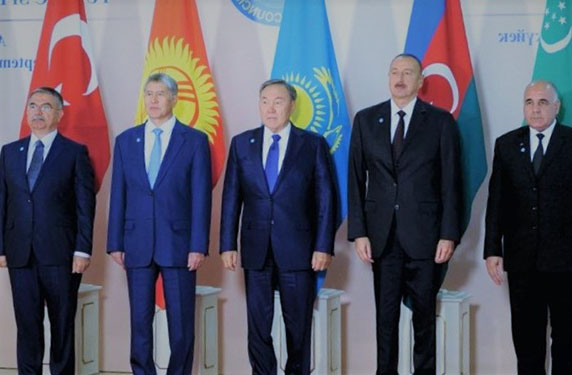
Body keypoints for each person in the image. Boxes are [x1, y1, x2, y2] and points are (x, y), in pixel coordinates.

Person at [348, 53, 462, 375]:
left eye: (408, 73)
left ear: (420, 81)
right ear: (388, 77)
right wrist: (359, 232)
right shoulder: (366, 120)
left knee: (424, 320)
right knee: (385, 321)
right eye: (395, 72)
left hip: (426, 238)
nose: (400, 78)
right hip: (382, 239)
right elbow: (355, 180)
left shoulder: (440, 122)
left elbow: (452, 182)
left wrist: (448, 234)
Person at [220, 79, 336, 375]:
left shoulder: (312, 145)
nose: (270, 108)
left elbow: (326, 200)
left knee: (298, 325)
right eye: (265, 101)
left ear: (292, 106)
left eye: (278, 101)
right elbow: (232, 197)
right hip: (256, 248)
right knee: (257, 325)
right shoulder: (242, 144)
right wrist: (227, 244)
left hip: (298, 249)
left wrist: (323, 245)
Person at [107, 72, 212, 375]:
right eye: (148, 94)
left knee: (180, 325)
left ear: (174, 99)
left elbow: (200, 198)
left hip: (179, 245)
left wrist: (197, 245)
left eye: (160, 94)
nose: (153, 100)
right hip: (136, 243)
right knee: (139, 323)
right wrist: (115, 242)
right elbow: (119, 194)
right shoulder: (126, 140)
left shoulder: (193, 141)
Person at [484, 80, 572, 374]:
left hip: (567, 261)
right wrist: (492, 249)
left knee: (566, 339)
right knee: (527, 340)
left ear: (556, 107)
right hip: (523, 260)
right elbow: (496, 200)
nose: (535, 109)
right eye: (529, 102)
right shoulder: (507, 144)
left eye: (542, 102)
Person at [0, 87, 96, 374]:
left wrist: (82, 248)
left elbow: (84, 206)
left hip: (61, 254)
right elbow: (3, 203)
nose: (37, 112)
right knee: (27, 326)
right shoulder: (10, 152)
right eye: (32, 106)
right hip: (20, 254)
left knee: (62, 326)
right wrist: (1, 247)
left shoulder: (75, 152)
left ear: (59, 114)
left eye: (45, 107)